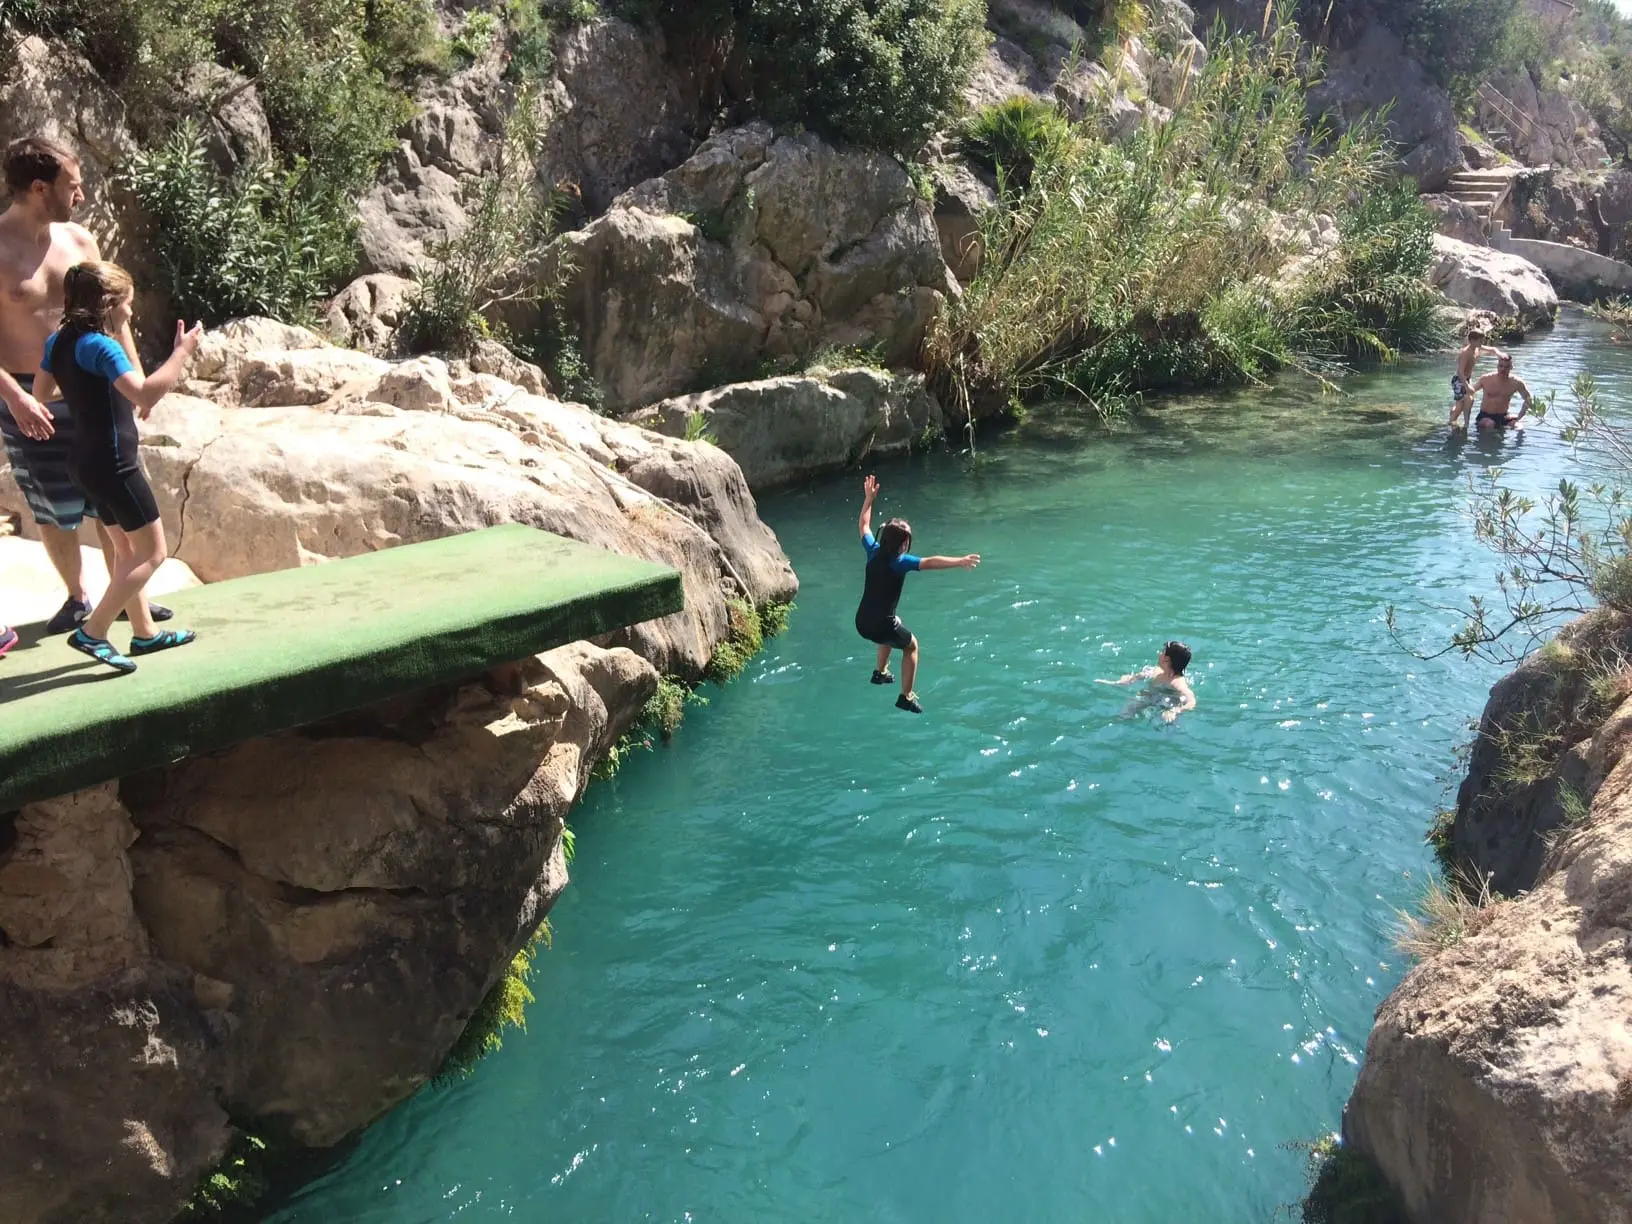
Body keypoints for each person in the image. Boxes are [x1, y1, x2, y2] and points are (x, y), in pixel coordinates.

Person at [0, 135, 170, 634]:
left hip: (94, 387)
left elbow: (113, 316)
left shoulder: (78, 241)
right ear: (39, 188)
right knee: (52, 505)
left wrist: (134, 379)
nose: (81, 195)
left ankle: (129, 599)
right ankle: (78, 598)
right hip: (29, 394)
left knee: (111, 494)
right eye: (72, 185)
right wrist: (16, 397)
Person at [34, 261, 200, 674]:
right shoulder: (100, 347)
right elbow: (145, 395)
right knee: (153, 553)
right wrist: (181, 353)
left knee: (126, 551)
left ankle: (145, 633)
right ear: (108, 305)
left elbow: (42, 392)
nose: (131, 310)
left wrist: (88, 391)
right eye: (127, 303)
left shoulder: (59, 342)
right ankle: (94, 631)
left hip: (84, 461)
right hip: (114, 465)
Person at [855, 474, 979, 714]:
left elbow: (863, 524)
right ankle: (906, 696)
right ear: (903, 544)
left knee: (894, 623)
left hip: (862, 623)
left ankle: (880, 673)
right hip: (880, 626)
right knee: (911, 646)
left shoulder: (873, 550)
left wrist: (869, 499)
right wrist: (960, 561)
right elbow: (931, 562)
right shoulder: (901, 562)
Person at [1097, 641, 1197, 723]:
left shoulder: (1177, 682)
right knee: (1128, 710)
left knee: (1166, 720)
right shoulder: (1157, 671)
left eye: (1162, 651)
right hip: (1151, 696)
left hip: (1168, 702)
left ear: (1166, 659)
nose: (1159, 653)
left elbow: (1191, 701)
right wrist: (1115, 682)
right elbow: (1137, 677)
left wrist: (1175, 711)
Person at [1449, 327, 1505, 428]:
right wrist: (1467, 385)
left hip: (1467, 378)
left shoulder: (1476, 348)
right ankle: (1453, 422)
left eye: (1482, 340)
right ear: (1472, 340)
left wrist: (1499, 354)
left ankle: (1464, 423)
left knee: (1467, 401)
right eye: (1480, 341)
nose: (1482, 343)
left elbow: (1492, 349)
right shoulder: (1465, 353)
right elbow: (1460, 372)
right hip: (1459, 380)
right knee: (1462, 405)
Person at [1471, 354, 1533, 430]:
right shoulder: (1486, 379)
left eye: (1506, 367)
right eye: (1501, 366)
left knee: (1519, 427)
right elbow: (1470, 392)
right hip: (1485, 416)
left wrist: (1519, 416)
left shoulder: (1516, 382)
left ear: (1511, 367)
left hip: (1503, 416)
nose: (1503, 369)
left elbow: (1528, 399)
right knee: (1490, 424)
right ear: (1497, 366)